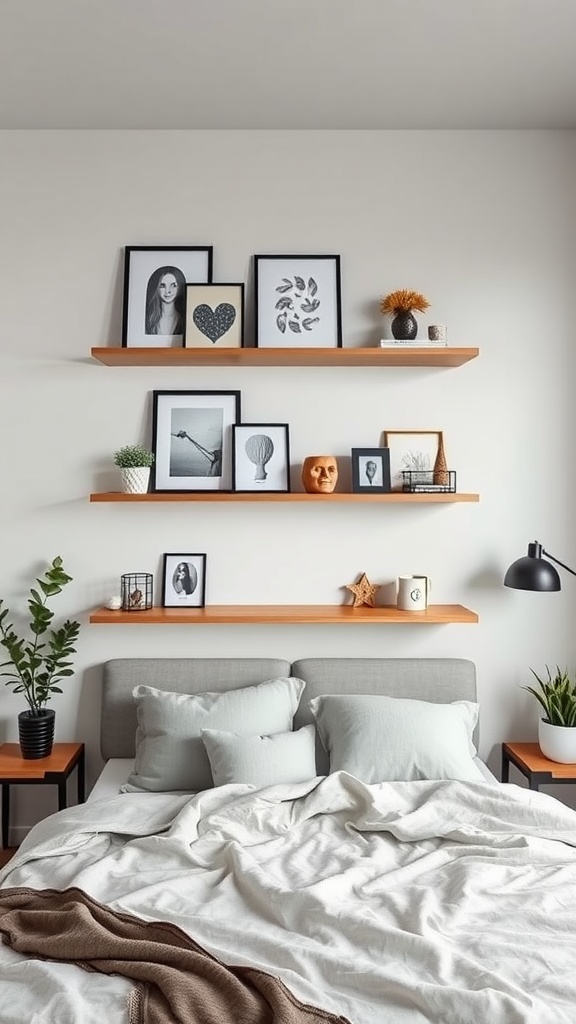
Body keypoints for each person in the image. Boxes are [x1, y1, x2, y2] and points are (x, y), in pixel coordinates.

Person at [145, 265, 186, 336]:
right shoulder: (149, 321)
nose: (168, 291)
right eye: (162, 286)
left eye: (173, 285)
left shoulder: (183, 320)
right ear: (157, 288)